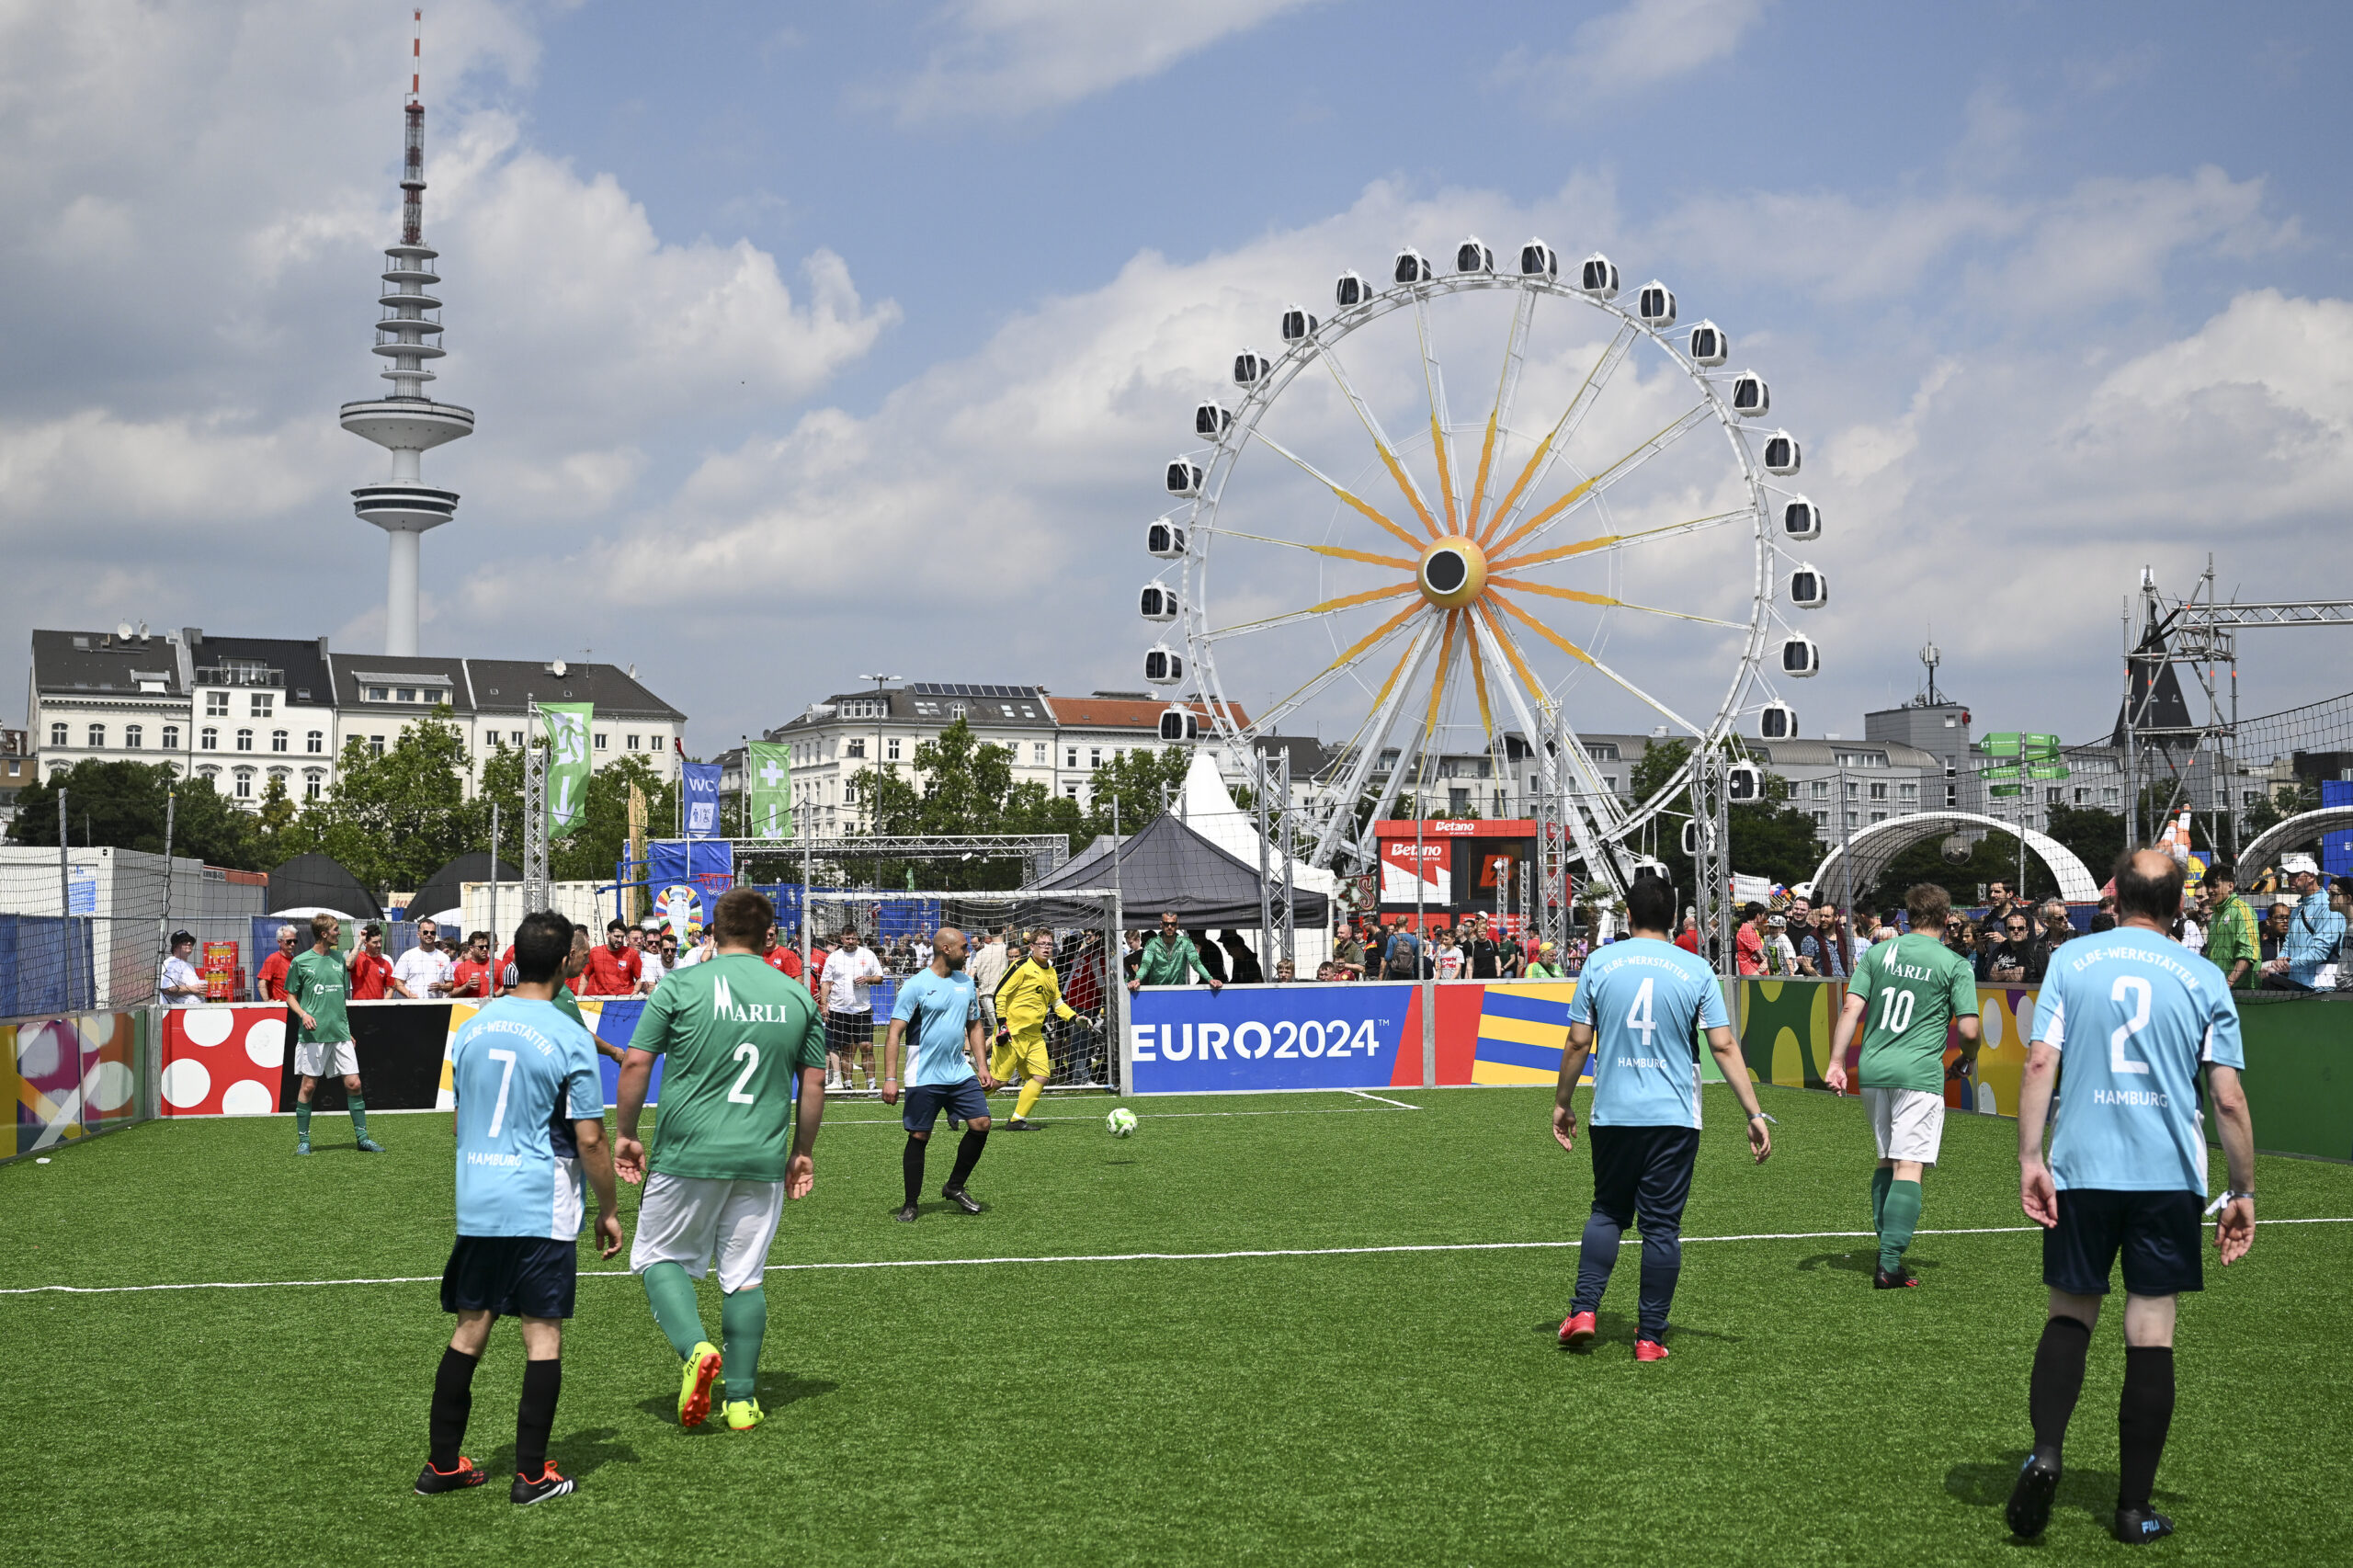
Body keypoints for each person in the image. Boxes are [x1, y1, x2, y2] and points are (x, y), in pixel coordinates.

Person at [2005, 848, 2256, 1547]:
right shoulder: (2205, 976)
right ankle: (2132, 1508)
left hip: (2082, 1167)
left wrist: (2030, 1157)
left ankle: (2047, 1453)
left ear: (2114, 897)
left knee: (2069, 1316)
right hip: (2167, 1176)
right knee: (2151, 1332)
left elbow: (2038, 1061)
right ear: (2180, 906)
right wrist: (2242, 1190)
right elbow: (2228, 1099)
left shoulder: (2072, 962)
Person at [416, 910, 622, 1506]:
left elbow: (461, 1119)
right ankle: (531, 1475)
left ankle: (442, 1464)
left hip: (479, 1197)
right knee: (542, 1336)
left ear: (511, 956)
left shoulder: (475, 1025)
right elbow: (589, 1138)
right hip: (540, 1199)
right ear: (564, 963)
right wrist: (609, 1210)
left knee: (469, 1330)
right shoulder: (568, 1033)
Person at [615, 888, 826, 1435]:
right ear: (770, 936)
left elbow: (638, 1061)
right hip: (759, 1155)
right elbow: (815, 1079)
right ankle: (741, 1402)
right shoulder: (797, 994)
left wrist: (626, 1133)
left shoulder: (682, 984)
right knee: (744, 1278)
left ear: (712, 930)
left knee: (657, 1256)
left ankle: (695, 1349)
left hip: (687, 1150)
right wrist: (802, 1152)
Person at [1552, 872, 1773, 1359]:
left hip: (1613, 1113)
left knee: (1608, 1211)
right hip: (1674, 1117)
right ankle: (1650, 1337)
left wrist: (1562, 1103)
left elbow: (1577, 1042)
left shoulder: (1599, 962)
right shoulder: (1695, 971)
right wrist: (1754, 1112)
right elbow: (1722, 1045)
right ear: (1675, 918)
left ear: (1628, 916)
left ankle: (1584, 1310)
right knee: (1662, 1228)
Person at [1825, 882, 1984, 1289]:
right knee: (1909, 1165)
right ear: (1947, 919)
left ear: (1907, 916)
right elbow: (1968, 1028)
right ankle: (1890, 1265)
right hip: (1918, 1074)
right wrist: (1969, 1056)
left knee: (1885, 1161)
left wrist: (1836, 1062)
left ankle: (1886, 1252)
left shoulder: (1878, 953)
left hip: (1873, 1070)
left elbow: (1850, 1007)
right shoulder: (1954, 963)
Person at [884, 926, 993, 1220]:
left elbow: (974, 1025)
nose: (968, 952)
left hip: (959, 1070)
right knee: (920, 1135)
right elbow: (894, 1033)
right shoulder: (915, 985)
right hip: (924, 1074)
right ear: (946, 949)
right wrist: (891, 1079)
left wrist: (982, 1066)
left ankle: (954, 1186)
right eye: (964, 947)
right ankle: (911, 1203)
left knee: (981, 1123)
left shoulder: (966, 984)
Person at [288, 913, 383, 1155]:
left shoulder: (338, 960)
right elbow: (290, 997)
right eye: (335, 929)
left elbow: (340, 997)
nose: (339, 932)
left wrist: (346, 1029)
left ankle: (363, 1138)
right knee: (308, 1086)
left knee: (354, 1083)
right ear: (323, 933)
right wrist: (303, 1015)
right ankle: (304, 1141)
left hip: (340, 1034)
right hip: (314, 1035)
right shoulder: (301, 961)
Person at [993, 930, 1081, 1131]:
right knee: (998, 1081)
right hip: (1012, 1034)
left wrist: (1075, 1018)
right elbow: (1000, 994)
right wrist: (1003, 1025)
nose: (1046, 947)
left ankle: (1016, 1120)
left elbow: (1058, 1003)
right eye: (1042, 944)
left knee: (1041, 1076)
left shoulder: (1051, 972)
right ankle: (959, 1106)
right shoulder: (1021, 966)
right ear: (1031, 946)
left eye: (1049, 944)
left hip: (1034, 1036)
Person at [2260, 853, 2344, 992]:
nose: (2290, 878)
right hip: (2296, 986)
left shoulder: (2328, 905)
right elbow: (2288, 945)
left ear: (2311, 876)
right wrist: (2279, 962)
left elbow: (2320, 951)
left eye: (2295, 874)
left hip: (2321, 988)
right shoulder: (2296, 911)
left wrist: (2287, 964)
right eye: (2289, 874)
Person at [821, 927, 884, 1090]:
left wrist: (868, 979)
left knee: (867, 1047)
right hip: (839, 1010)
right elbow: (826, 983)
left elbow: (879, 977)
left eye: (854, 938)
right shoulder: (834, 958)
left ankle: (872, 1086)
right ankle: (848, 1087)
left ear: (858, 939)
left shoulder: (868, 955)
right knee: (847, 1050)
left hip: (862, 1009)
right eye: (847, 939)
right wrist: (824, 1005)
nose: (850, 942)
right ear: (841, 939)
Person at [2200, 863, 2257, 989]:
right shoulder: (2215, 915)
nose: (2210, 890)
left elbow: (2249, 952)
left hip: (2243, 991)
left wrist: (2229, 982)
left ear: (2230, 886)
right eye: (2208, 886)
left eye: (2215, 886)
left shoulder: (2242, 910)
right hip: (2220, 989)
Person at [1130, 911, 1221, 991]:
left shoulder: (1186, 943)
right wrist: (1137, 979)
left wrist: (1209, 979)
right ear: (1161, 924)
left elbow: (1196, 962)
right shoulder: (1152, 943)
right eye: (1166, 924)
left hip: (1178, 991)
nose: (1169, 927)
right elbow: (1145, 964)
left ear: (1177, 925)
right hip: (1157, 991)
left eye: (1172, 924)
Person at [580, 919, 643, 998]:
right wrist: (579, 998)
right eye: (617, 936)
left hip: (624, 1001)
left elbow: (640, 977)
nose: (620, 940)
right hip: (601, 1000)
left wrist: (633, 995)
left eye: (622, 937)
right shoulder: (595, 952)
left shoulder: (631, 953)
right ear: (607, 934)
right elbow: (585, 976)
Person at [393, 918, 454, 999]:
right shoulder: (408, 956)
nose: (429, 935)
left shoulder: (444, 958)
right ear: (418, 934)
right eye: (425, 932)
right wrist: (409, 994)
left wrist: (441, 986)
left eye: (432, 933)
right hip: (413, 1005)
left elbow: (450, 985)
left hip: (436, 1006)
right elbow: (398, 982)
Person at [349, 923, 406, 1000]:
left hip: (377, 1007)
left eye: (380, 941)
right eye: (375, 942)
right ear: (365, 943)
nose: (379, 945)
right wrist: (360, 941)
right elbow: (348, 964)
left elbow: (390, 989)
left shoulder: (385, 963)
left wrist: (382, 1006)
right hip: (359, 1007)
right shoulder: (358, 958)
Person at [157, 929, 206, 1006]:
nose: (189, 943)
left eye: (190, 942)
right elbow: (167, 989)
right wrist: (192, 989)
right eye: (184, 941)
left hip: (190, 1011)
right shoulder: (170, 964)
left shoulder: (188, 966)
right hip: (174, 1013)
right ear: (175, 947)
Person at [449, 931, 497, 1000]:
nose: (485, 949)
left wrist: (493, 996)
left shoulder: (497, 964)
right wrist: (466, 986)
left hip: (492, 1008)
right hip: (469, 1009)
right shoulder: (461, 968)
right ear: (471, 948)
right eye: (481, 947)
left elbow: (506, 988)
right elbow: (452, 994)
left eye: (487, 946)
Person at [257, 925, 298, 1002]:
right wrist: (267, 1002)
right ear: (279, 942)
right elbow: (261, 983)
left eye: (295, 941)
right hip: (279, 1007)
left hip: (294, 1006)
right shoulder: (273, 959)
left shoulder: (294, 961)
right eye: (289, 941)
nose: (293, 944)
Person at [1733, 903, 1768, 976]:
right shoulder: (1747, 929)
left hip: (1755, 974)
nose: (1764, 919)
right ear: (1758, 916)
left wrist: (1759, 955)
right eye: (1763, 915)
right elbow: (1763, 956)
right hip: (1752, 975)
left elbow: (1761, 953)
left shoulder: (1751, 930)